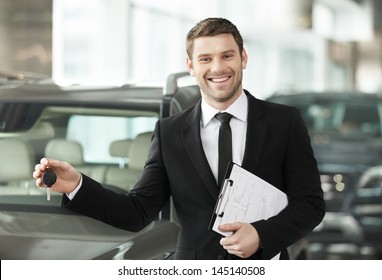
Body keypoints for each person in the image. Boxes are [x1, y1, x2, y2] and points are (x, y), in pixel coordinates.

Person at [33, 17, 325, 260]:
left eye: (227, 55)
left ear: (243, 58)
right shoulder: (170, 132)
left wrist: (263, 234)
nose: (217, 68)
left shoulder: (284, 122)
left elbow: (310, 204)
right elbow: (137, 212)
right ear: (191, 66)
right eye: (205, 59)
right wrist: (77, 186)